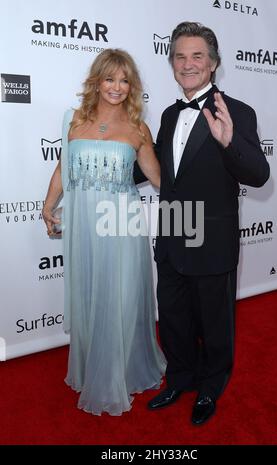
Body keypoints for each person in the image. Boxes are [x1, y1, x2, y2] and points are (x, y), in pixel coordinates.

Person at [147, 22, 270, 425]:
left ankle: (212, 386)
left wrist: (229, 142)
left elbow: (258, 174)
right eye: (180, 56)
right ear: (172, 64)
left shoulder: (237, 112)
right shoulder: (167, 115)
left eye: (197, 55)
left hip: (212, 241)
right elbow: (154, 170)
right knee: (175, 317)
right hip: (170, 237)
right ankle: (179, 378)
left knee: (216, 324)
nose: (188, 64)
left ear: (213, 63)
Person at [42, 48, 166, 416]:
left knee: (120, 298)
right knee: (90, 294)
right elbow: (63, 168)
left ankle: (121, 372)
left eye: (124, 80)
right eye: (110, 78)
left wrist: (203, 187)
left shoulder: (138, 128)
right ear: (96, 80)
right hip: (82, 228)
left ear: (132, 86)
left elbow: (159, 179)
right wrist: (48, 205)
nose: (117, 87)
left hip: (121, 225)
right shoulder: (74, 120)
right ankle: (92, 367)